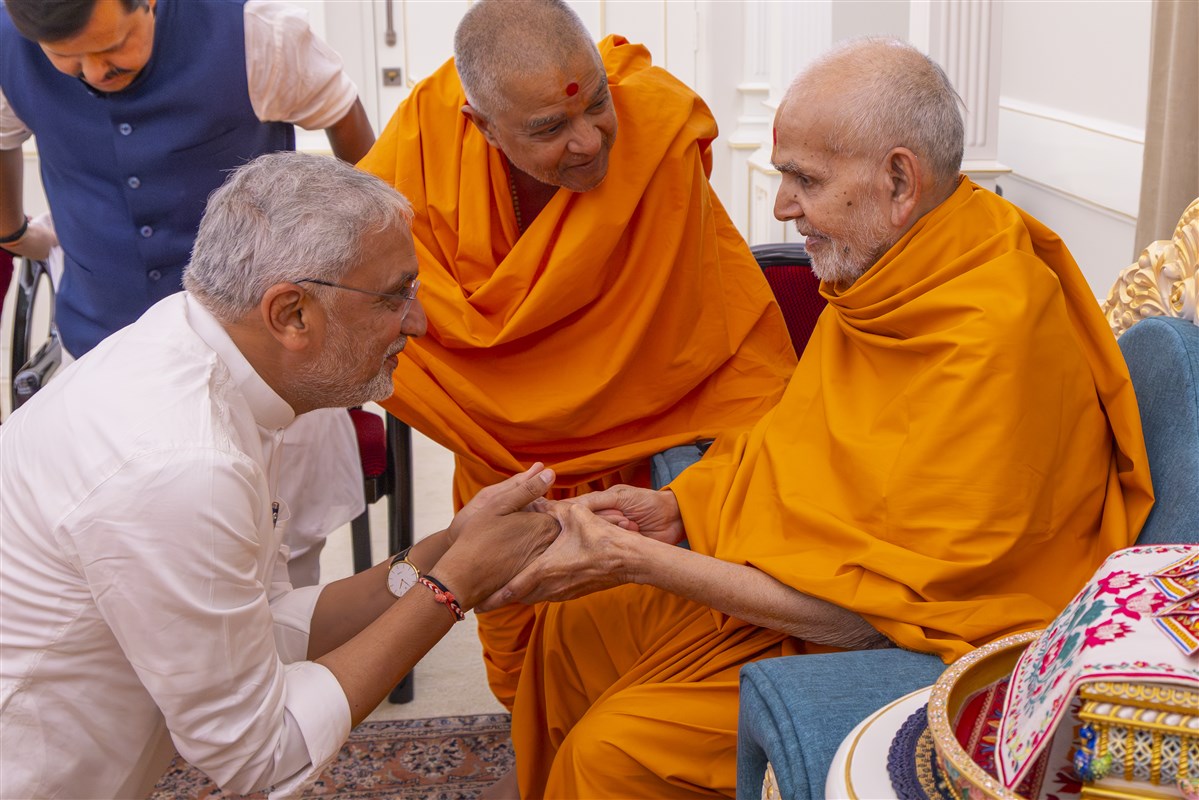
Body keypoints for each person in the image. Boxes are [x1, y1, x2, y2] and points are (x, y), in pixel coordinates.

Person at [483, 38, 1155, 798]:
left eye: (804, 179)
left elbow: (869, 616)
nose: (781, 207)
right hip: (822, 587)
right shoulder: (890, 266)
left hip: (928, 642)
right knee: (574, 630)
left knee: (614, 754)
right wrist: (676, 510)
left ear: (899, 179)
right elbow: (796, 453)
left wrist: (638, 559)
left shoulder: (993, 335)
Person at [0, 152, 561, 800]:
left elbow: (263, 622)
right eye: (393, 296)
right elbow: (260, 756)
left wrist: (448, 545)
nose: (418, 321)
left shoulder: (195, 349)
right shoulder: (182, 463)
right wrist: (453, 586)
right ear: (291, 314)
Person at [357, 0, 796, 709]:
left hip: (676, 418)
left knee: (675, 653)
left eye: (596, 105)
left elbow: (693, 317)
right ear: (482, 126)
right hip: (512, 457)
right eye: (549, 128)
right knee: (530, 661)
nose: (589, 140)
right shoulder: (417, 156)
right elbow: (378, 312)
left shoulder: (651, 125)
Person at [0, 0, 377, 585]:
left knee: (279, 560)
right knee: (122, 560)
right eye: (67, 60)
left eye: (112, 48)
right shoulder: (7, 44)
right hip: (102, 350)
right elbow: (5, 133)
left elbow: (340, 108)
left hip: (263, 358)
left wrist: (373, 255)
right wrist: (13, 230)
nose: (95, 74)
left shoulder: (255, 36)